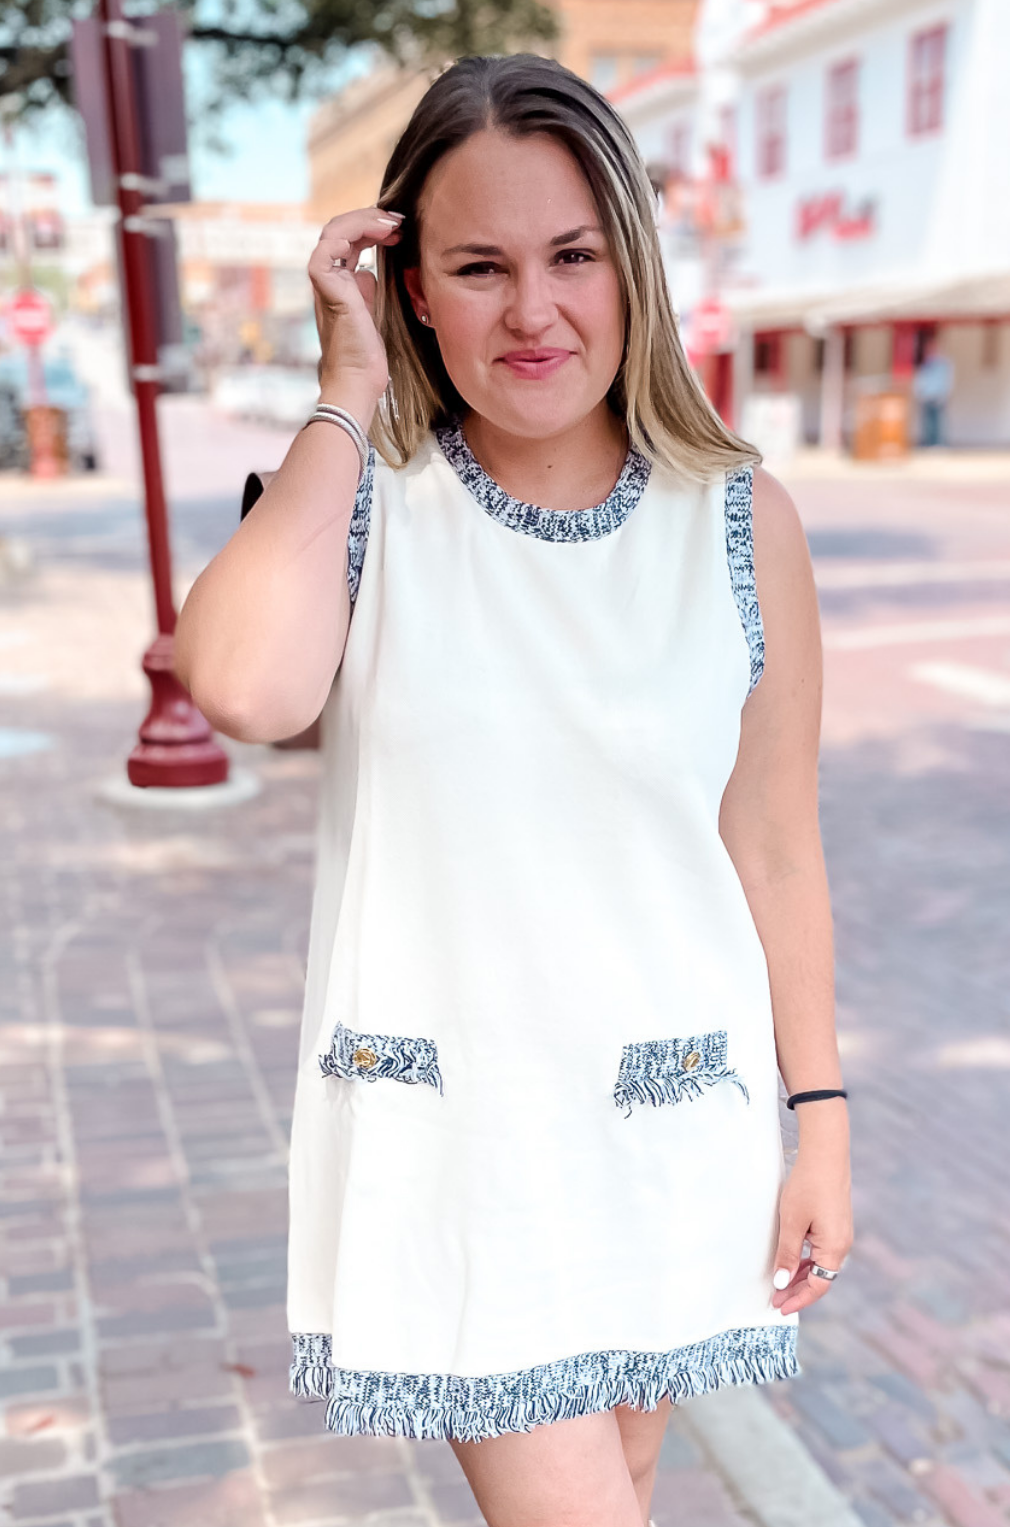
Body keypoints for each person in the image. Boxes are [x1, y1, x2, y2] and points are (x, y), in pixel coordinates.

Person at [173, 53, 852, 1527]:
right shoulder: (366, 501)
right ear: (410, 285)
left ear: (632, 264)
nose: (531, 310)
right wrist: (342, 391)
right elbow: (237, 683)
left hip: (675, 1121)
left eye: (571, 257)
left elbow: (776, 848)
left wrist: (823, 1121)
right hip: (463, 1144)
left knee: (630, 1483)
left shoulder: (741, 520)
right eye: (478, 265)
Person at [913, 334, 955, 447]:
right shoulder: (925, 363)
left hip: (938, 396)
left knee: (938, 422)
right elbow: (920, 380)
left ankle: (939, 444)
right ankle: (929, 443)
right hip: (926, 396)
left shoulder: (943, 363)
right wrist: (919, 393)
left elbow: (948, 379)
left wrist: (945, 394)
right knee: (927, 423)